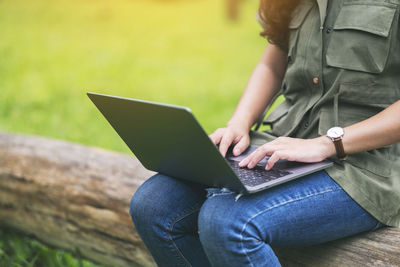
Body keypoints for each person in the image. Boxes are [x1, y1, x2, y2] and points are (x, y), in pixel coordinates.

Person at [129, 0, 400, 266]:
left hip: (367, 167)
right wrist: (239, 123)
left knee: (229, 222)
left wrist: (327, 144)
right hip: (282, 147)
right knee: (152, 206)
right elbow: (272, 64)